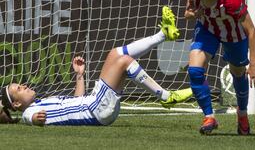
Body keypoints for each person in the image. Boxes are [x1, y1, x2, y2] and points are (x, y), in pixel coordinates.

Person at [0, 7, 193, 126]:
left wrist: (79, 75)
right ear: (17, 104)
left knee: (115, 54)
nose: (24, 86)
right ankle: (166, 97)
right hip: (96, 109)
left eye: (20, 85)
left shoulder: (42, 101)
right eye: (19, 89)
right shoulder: (28, 112)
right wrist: (35, 120)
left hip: (94, 104)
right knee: (124, 61)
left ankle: (162, 34)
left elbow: (78, 100)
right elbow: (32, 119)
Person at [183, 0, 255, 135]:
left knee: (237, 73)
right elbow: (188, 13)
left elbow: (251, 31)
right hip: (207, 29)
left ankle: (242, 114)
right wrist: (192, 14)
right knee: (194, 70)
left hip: (233, 34)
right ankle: (209, 117)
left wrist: (254, 64)